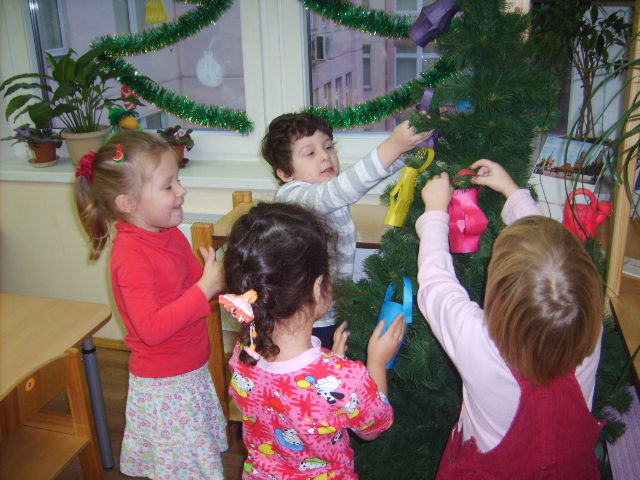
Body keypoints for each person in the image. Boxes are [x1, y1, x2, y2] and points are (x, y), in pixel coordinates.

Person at [416, 159, 604, 479]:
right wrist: (513, 192)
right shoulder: (591, 325)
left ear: (495, 294)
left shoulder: (478, 339)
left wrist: (435, 211)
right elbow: (552, 257)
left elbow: (435, 283)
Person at [74, 130, 227, 479]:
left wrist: (219, 285)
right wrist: (204, 288)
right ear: (128, 203)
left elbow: (193, 291)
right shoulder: (130, 256)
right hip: (167, 387)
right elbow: (152, 329)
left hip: (190, 373)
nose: (181, 191)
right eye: (168, 185)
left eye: (178, 180)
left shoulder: (168, 233)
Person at [222, 202, 406, 480]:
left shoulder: (242, 354)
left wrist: (332, 366)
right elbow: (373, 428)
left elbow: (282, 396)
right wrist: (377, 363)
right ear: (319, 288)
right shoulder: (347, 379)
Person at [261, 112, 431, 347]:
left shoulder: (324, 190)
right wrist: (393, 145)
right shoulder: (293, 198)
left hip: (333, 310)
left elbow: (358, 181)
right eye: (310, 153)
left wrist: (411, 148)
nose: (325, 157)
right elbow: (346, 187)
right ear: (285, 173)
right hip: (308, 321)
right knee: (319, 368)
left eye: (328, 147)